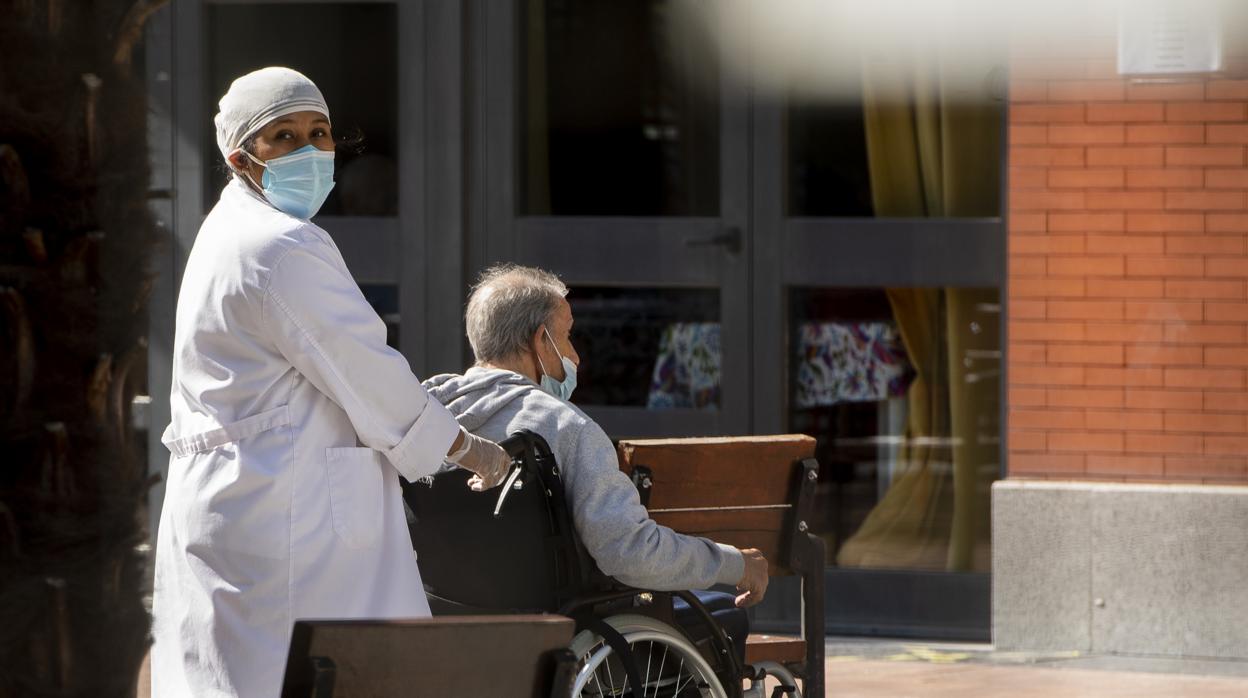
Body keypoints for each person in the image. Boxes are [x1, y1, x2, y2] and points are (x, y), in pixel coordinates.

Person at [151, 67, 511, 697]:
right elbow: (369, 374)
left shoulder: (226, 233)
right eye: (283, 138)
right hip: (288, 518)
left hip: (234, 504)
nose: (310, 150)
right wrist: (465, 447)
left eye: (319, 132)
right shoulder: (282, 246)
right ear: (243, 159)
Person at [423, 264, 770, 659]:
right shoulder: (563, 427)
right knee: (725, 615)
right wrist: (733, 563)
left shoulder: (423, 422)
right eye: (568, 337)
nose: (575, 356)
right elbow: (629, 552)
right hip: (562, 637)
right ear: (540, 340)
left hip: (450, 633)